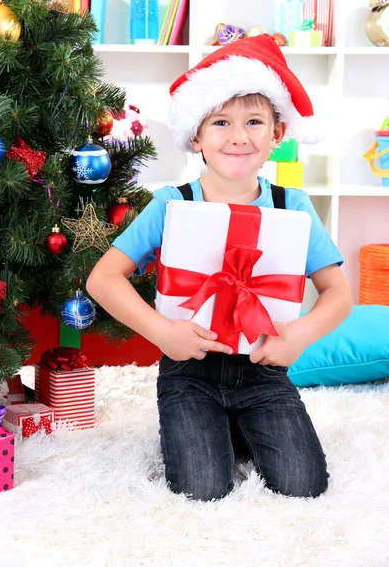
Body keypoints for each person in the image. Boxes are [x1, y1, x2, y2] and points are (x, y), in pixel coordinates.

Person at [86, 34, 353, 502]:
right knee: (203, 488)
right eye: (221, 122)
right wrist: (162, 333)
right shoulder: (171, 203)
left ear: (277, 134)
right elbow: (103, 278)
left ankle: (236, 426)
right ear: (197, 136)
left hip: (263, 371)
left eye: (254, 121)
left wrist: (299, 336)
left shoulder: (294, 205)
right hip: (189, 371)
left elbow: (339, 294)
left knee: (303, 484)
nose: (238, 136)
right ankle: (207, 426)